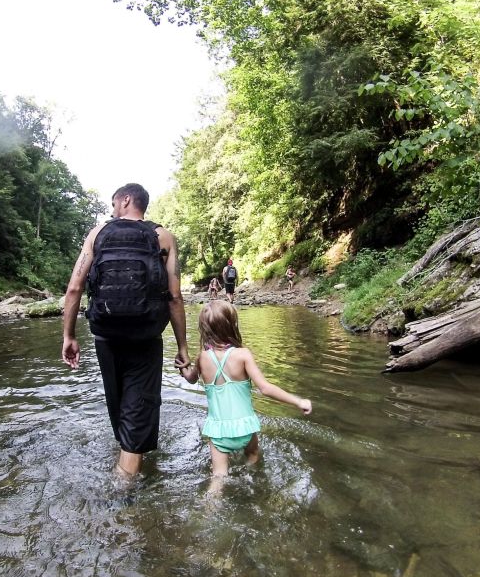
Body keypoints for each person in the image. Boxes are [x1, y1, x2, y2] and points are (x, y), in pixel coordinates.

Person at [62, 183, 191, 477]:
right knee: (137, 414)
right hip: (146, 338)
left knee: (120, 410)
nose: (112, 211)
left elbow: (74, 289)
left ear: (126, 200)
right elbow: (174, 297)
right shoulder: (163, 237)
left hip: (106, 337)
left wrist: (69, 336)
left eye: (113, 204)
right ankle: (126, 496)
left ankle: (125, 474)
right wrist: (182, 347)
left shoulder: (97, 234)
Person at [176, 300, 311, 491]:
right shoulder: (243, 355)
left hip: (218, 432)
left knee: (219, 477)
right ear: (232, 325)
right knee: (253, 459)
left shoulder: (202, 357)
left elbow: (190, 378)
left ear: (205, 330)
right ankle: (254, 487)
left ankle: (208, 510)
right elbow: (265, 388)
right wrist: (298, 401)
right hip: (246, 428)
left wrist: (183, 366)